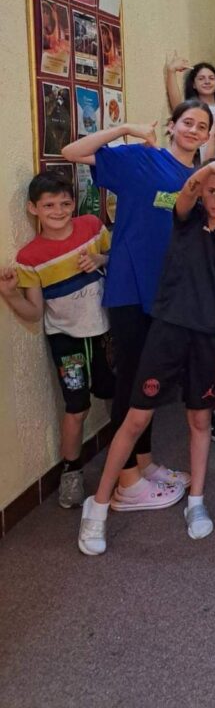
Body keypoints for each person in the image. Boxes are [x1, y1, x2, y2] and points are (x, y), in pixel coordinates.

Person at [77, 156, 215, 554]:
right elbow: (188, 193)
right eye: (212, 190)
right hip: (167, 330)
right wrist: (206, 173)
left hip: (206, 336)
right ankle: (98, 507)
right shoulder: (185, 217)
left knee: (200, 419)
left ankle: (196, 502)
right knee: (137, 417)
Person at [62, 102, 214, 512]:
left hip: (167, 294)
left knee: (149, 382)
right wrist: (125, 128)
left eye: (201, 126)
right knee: (131, 381)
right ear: (172, 126)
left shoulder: (200, 179)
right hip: (131, 287)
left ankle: (144, 463)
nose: (193, 130)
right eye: (187, 122)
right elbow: (72, 152)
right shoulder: (142, 158)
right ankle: (126, 481)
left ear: (206, 136)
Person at [0, 171, 112, 509]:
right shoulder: (30, 257)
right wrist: (10, 294)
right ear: (33, 208)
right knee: (76, 408)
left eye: (64, 203)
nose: (58, 211)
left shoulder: (91, 226)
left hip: (105, 331)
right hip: (66, 341)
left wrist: (100, 259)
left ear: (73, 203)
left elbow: (119, 257)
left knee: (116, 394)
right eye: (49, 205)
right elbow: (34, 312)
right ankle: (71, 471)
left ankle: (128, 459)